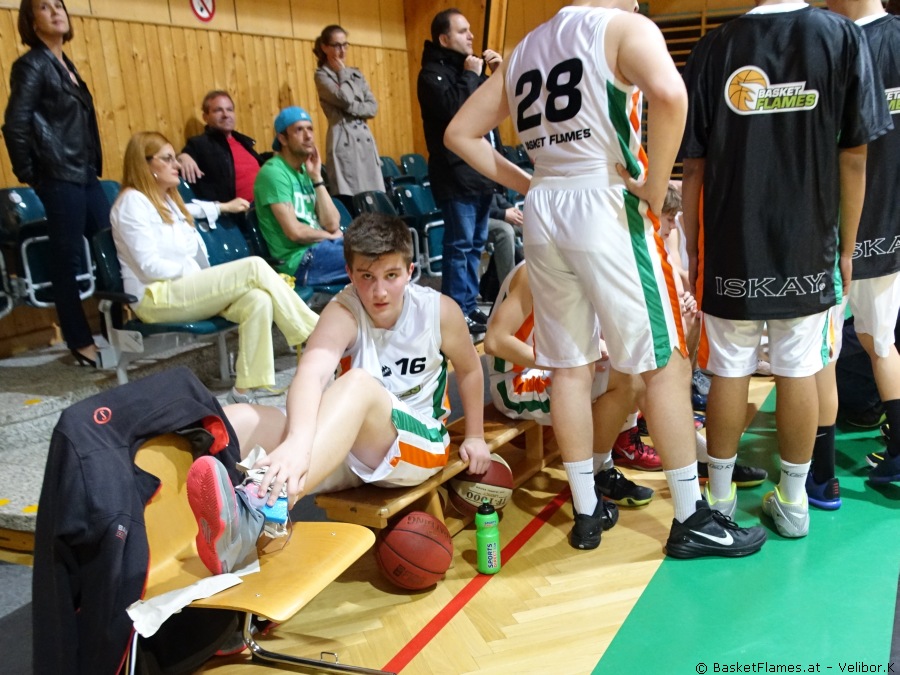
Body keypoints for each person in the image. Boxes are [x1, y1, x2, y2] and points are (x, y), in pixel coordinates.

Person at [446, 1, 766, 558]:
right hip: (605, 200)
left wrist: (532, 185)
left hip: (546, 208)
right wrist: (655, 185)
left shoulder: (524, 47)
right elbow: (671, 95)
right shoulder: (622, 28)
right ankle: (691, 517)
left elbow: (460, 134)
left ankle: (587, 509)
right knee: (664, 362)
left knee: (568, 367)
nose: (638, 2)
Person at [680, 0, 891, 537]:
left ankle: (720, 499)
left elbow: (694, 164)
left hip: (731, 242)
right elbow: (855, 156)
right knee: (799, 366)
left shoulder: (714, 46)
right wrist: (846, 248)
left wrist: (693, 247)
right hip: (809, 243)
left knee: (729, 366)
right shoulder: (842, 37)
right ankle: (795, 502)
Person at [185, 213, 492, 572]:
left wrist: (475, 436)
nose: (379, 291)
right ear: (349, 273)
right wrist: (298, 441)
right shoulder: (343, 309)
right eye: (367, 276)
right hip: (349, 447)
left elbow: (470, 369)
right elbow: (311, 374)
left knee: (358, 384)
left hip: (419, 443)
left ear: (410, 271)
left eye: (391, 276)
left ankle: (261, 510)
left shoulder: (437, 311)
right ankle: (196, 535)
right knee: (235, 421)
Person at [110, 131, 319, 405]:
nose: (176, 165)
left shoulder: (168, 200)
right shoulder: (132, 202)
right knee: (254, 267)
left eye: (175, 158)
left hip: (182, 288)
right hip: (155, 297)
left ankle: (242, 392)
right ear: (146, 164)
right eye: (168, 159)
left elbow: (194, 211)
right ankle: (316, 335)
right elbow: (149, 266)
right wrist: (200, 276)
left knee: (258, 299)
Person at [485, 261, 653, 519]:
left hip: (555, 365)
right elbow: (495, 341)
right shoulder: (533, 271)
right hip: (516, 379)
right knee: (625, 377)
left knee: (634, 364)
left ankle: (601, 468)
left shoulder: (586, 261)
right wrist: (565, 360)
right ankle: (596, 476)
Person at [2, 0, 110, 367]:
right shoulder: (32, 65)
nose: (56, 11)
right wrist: (32, 175)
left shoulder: (67, 65)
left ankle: (117, 330)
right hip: (59, 176)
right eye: (44, 7)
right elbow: (15, 125)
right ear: (31, 21)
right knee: (67, 260)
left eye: (59, 5)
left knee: (110, 246)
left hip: (85, 174)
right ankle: (79, 341)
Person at [822, 0, 900, 487]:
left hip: (835, 233)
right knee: (881, 342)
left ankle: (818, 473)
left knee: (821, 355)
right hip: (891, 227)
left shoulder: (832, 43)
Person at [418, 8, 503, 334]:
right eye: (462, 31)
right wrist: (471, 75)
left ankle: (468, 306)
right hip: (454, 174)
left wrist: (498, 74)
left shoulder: (470, 70)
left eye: (470, 30)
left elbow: (494, 110)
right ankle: (455, 313)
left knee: (475, 245)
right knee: (459, 246)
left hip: (480, 172)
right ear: (444, 39)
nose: (471, 36)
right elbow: (456, 112)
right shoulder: (431, 75)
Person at [253, 106, 349, 287]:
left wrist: (317, 178)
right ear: (282, 139)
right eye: (299, 130)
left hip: (321, 249)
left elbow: (332, 224)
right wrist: (329, 237)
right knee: (373, 261)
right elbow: (294, 232)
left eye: (310, 129)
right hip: (299, 261)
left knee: (380, 252)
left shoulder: (307, 171)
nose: (308, 136)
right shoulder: (273, 173)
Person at [313, 24, 385, 196]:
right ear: (325, 47)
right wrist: (342, 74)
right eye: (337, 45)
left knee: (375, 198)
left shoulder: (356, 74)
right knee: (352, 198)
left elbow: (372, 107)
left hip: (365, 141)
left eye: (345, 45)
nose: (342, 50)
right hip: (343, 140)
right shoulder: (322, 75)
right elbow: (344, 99)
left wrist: (352, 107)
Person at [177, 90, 266, 203]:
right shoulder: (199, 144)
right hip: (237, 210)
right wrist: (181, 156)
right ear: (205, 117)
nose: (226, 115)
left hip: (266, 203)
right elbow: (177, 162)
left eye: (229, 109)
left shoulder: (243, 141)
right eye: (218, 110)